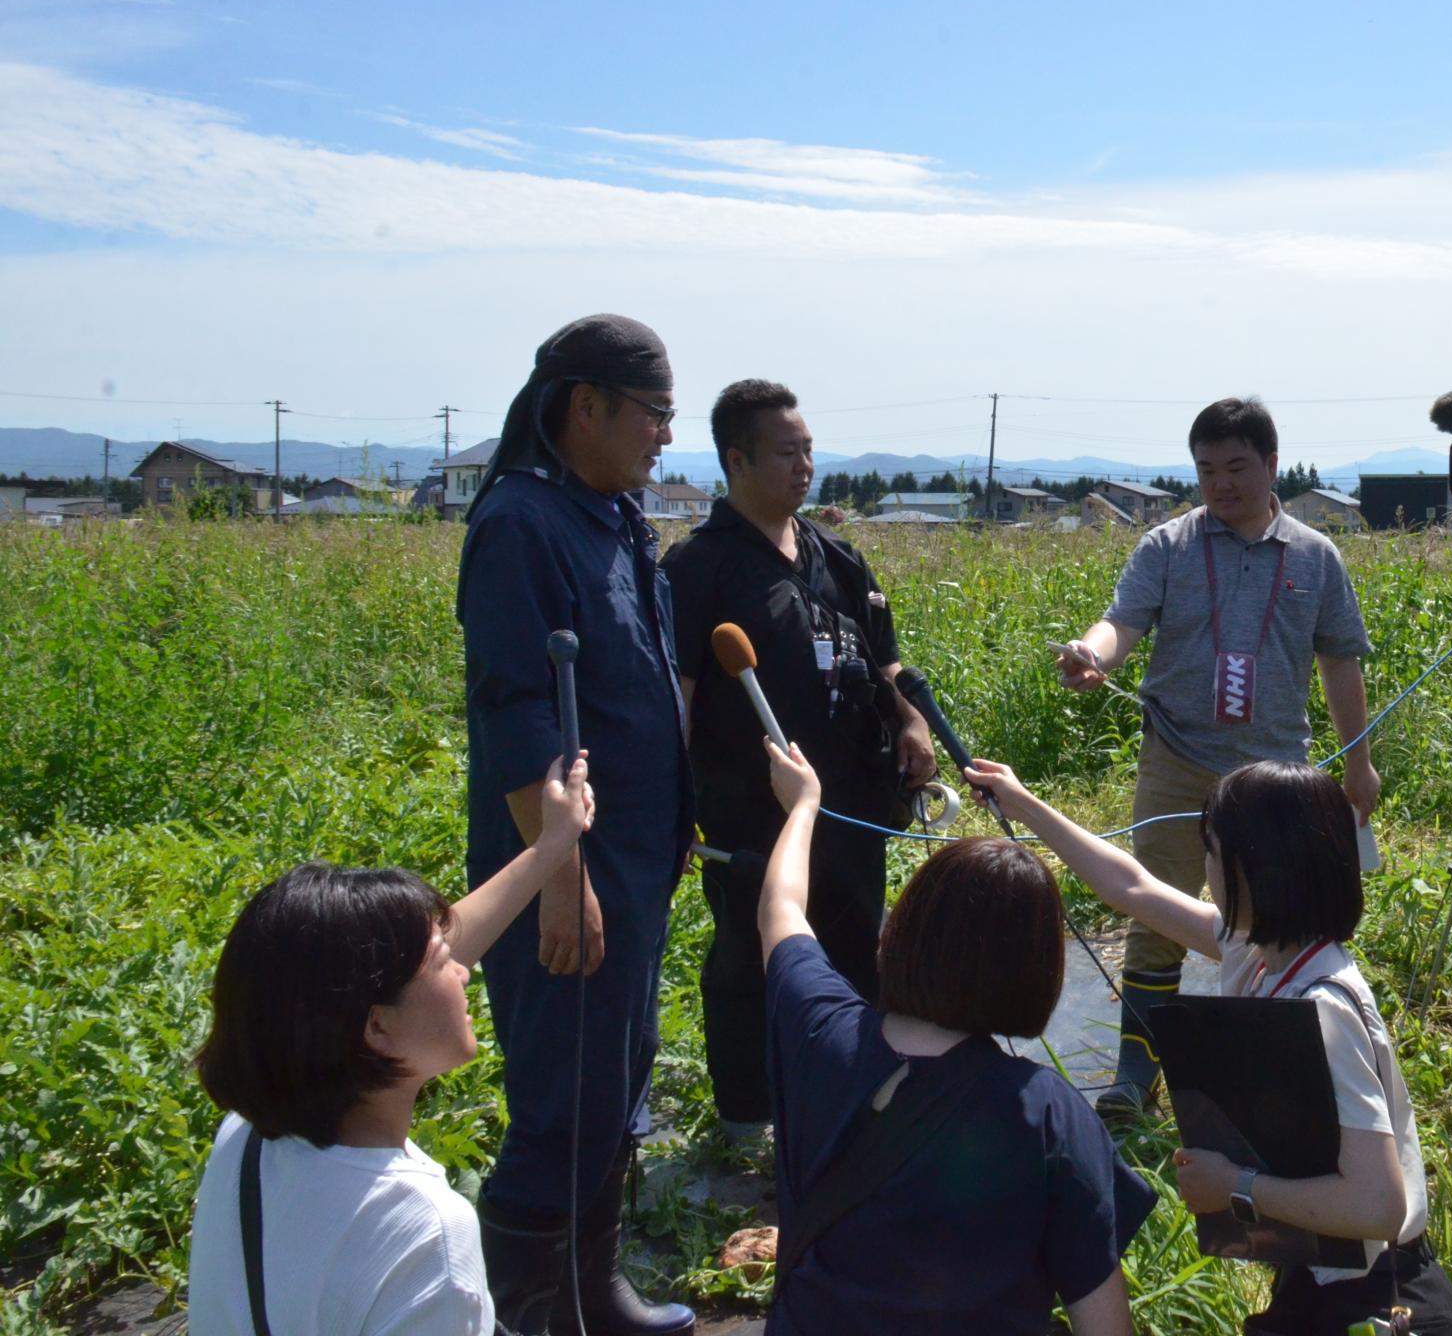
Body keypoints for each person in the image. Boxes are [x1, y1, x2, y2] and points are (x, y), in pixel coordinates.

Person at [964, 756, 1452, 1335]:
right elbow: (1130, 886)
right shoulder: (1260, 954)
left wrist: (1235, 1185)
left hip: (1379, 1302)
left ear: (1258, 868)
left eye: (1211, 850)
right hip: (1322, 1279)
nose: (1204, 867)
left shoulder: (1325, 1010)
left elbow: (1380, 1207)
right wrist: (1020, 800)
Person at [457, 314, 696, 1334]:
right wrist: (562, 874)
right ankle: (533, 1315)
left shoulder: (614, 517)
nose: (661, 439)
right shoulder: (521, 523)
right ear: (585, 405)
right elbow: (516, 713)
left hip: (632, 861)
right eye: (654, 415)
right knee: (564, 1098)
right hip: (571, 874)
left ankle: (591, 1292)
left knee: (614, 1084)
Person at [753, 739, 1151, 1335]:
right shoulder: (1049, 1118)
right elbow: (1104, 1327)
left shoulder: (819, 1027)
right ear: (1039, 974)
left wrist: (804, 805)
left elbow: (780, 908)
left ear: (902, 932)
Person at [188, 755, 591, 1336]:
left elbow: (404, 964)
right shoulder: (426, 1232)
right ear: (375, 1029)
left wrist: (550, 846)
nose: (466, 973)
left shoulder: (246, 1139)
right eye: (444, 963)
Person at [1054, 397, 1378, 1114]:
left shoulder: (1316, 557)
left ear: (1272, 464)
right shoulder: (1167, 546)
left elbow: (1340, 662)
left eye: (1236, 467)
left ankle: (1270, 1076)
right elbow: (1121, 623)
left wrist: (1358, 761)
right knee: (1157, 915)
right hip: (1176, 756)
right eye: (1206, 470)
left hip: (1271, 775)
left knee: (1277, 922)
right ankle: (1136, 1079)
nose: (1221, 484)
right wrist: (1091, 654)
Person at [661, 379, 936, 1130]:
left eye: (809, 450)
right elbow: (676, 698)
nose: (804, 466)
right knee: (754, 954)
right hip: (751, 808)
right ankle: (747, 1119)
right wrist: (672, 804)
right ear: (736, 460)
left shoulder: (836, 558)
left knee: (857, 947)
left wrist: (910, 724)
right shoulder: (698, 569)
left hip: (852, 798)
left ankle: (852, 1099)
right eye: (787, 452)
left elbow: (883, 663)